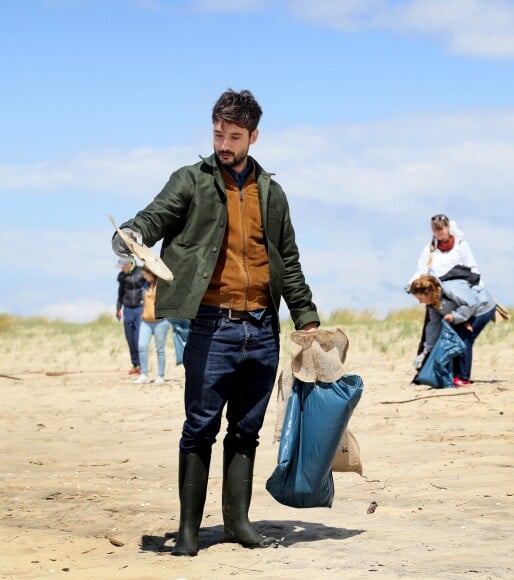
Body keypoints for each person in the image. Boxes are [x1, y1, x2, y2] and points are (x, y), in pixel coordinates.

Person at [111, 89, 319, 557]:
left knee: (246, 429)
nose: (224, 144)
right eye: (218, 134)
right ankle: (187, 530)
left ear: (254, 136)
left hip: (263, 327)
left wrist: (304, 314)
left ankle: (238, 523)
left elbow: (288, 258)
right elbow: (152, 218)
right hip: (212, 325)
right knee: (199, 427)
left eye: (234, 135)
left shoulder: (273, 192)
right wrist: (130, 236)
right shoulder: (190, 181)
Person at [410, 274, 496, 387]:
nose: (420, 302)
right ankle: (455, 376)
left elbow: (471, 304)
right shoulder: (432, 305)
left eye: (420, 298)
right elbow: (433, 328)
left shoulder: (450, 290)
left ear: (428, 293)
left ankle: (463, 378)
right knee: (455, 339)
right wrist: (425, 351)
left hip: (482, 308)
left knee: (464, 339)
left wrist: (455, 317)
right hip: (467, 313)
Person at [134, 266, 171, 385]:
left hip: (160, 322)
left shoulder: (162, 286)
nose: (144, 276)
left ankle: (160, 375)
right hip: (145, 321)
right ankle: (144, 374)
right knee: (141, 346)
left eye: (145, 274)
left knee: (160, 350)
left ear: (152, 273)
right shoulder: (145, 285)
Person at [116, 257, 146, 375]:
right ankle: (135, 365)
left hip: (140, 309)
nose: (121, 269)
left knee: (138, 338)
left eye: (123, 266)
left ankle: (143, 365)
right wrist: (118, 309)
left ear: (129, 264)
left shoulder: (141, 272)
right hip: (127, 309)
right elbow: (120, 293)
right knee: (130, 339)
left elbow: (150, 285)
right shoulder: (122, 277)